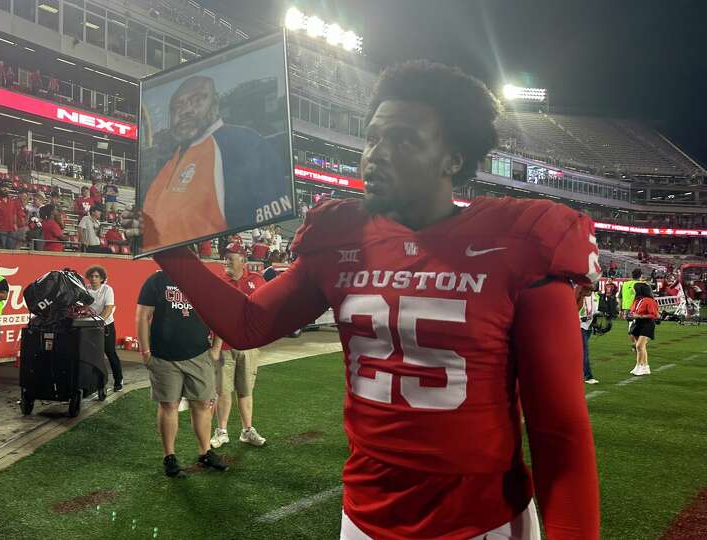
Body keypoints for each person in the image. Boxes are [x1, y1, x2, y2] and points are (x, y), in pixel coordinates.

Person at [153, 61, 601, 538]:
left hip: (483, 523)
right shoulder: (342, 235)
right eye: (373, 138)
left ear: (453, 158)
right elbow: (248, 325)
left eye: (404, 139)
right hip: (365, 517)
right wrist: (169, 249)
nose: (377, 154)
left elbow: (559, 432)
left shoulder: (521, 241)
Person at [141, 76, 292, 252]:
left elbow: (271, 207)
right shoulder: (169, 160)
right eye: (178, 107)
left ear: (215, 104)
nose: (186, 111)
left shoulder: (245, 143)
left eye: (197, 100)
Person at [136, 269, 228, 477]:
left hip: (199, 355)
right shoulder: (156, 280)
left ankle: (205, 453)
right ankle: (169, 457)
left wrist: (216, 348)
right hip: (164, 357)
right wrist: (145, 351)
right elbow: (143, 316)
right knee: (169, 405)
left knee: (203, 404)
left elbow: (219, 315)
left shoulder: (203, 282)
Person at [209, 243, 267, 449]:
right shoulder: (218, 281)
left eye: (231, 258)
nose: (226, 262)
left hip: (248, 345)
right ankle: (222, 431)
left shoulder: (256, 280)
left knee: (245, 389)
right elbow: (214, 316)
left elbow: (264, 309)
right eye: (225, 258)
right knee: (223, 390)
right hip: (224, 344)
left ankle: (247, 429)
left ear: (243, 260)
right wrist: (214, 346)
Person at [85, 265, 124, 391]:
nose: (93, 278)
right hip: (91, 327)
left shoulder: (108, 289)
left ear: (102, 278)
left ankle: (118, 380)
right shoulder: (85, 290)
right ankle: (96, 383)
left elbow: (108, 308)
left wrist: (99, 321)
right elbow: (82, 308)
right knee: (92, 355)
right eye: (91, 276)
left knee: (110, 353)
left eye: (96, 276)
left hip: (106, 326)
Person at [628, 282, 658, 376]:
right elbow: (633, 311)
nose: (633, 290)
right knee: (641, 346)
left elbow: (654, 315)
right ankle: (644, 366)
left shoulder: (649, 300)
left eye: (634, 289)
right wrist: (630, 315)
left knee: (639, 346)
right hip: (637, 323)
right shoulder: (637, 300)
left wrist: (640, 316)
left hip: (647, 324)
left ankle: (639, 366)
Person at [577, 284, 600, 385]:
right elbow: (571, 309)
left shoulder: (594, 296)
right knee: (584, 352)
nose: (593, 287)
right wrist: (580, 318)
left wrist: (595, 322)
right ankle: (588, 376)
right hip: (579, 326)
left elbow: (594, 311)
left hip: (588, 326)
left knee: (579, 352)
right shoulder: (578, 295)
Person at [0, 182, 20, 249]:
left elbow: (14, 213)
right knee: (1, 247)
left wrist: (15, 224)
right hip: (1, 229)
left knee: (11, 248)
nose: (5, 189)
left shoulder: (12, 201)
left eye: (6, 187)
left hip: (11, 229)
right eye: (3, 187)